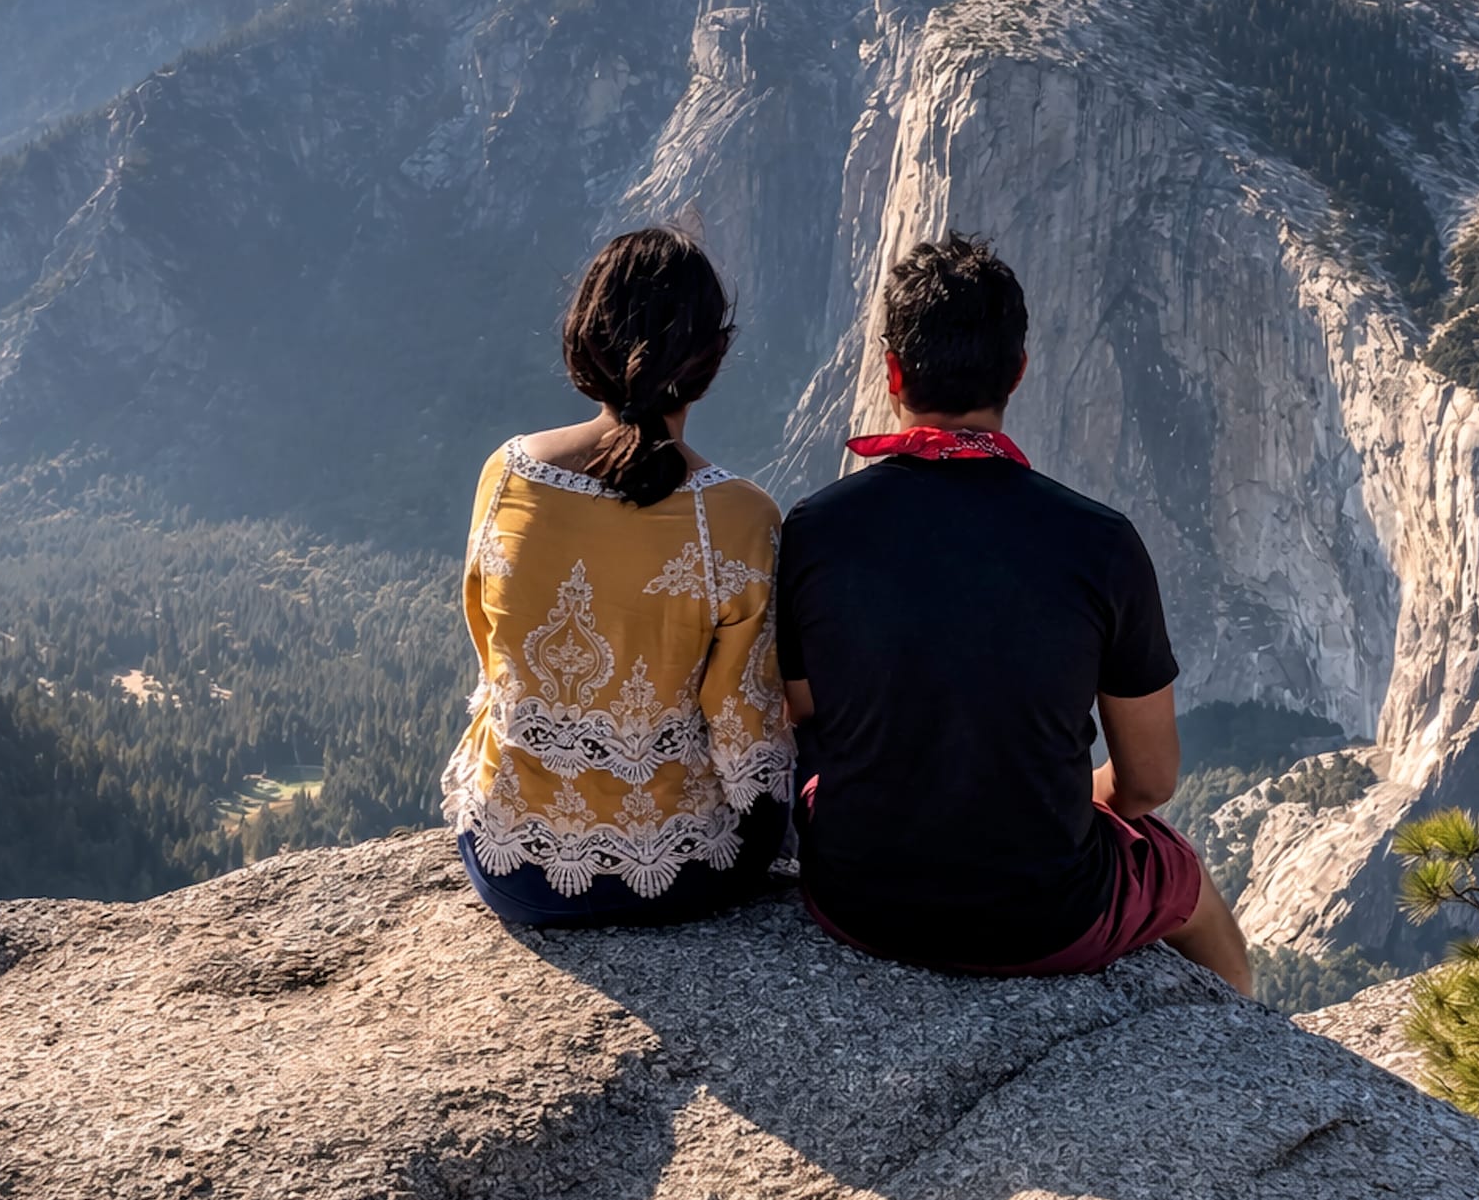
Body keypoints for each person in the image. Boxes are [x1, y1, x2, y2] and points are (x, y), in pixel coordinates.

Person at [776, 232, 1253, 991]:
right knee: (1182, 875)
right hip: (1046, 918)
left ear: (893, 371)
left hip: (857, 898)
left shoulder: (815, 526)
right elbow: (1150, 781)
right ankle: (1246, 1050)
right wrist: (1059, 799)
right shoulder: (1101, 543)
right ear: (1019, 372)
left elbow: (802, 707)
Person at [440, 227, 791, 927]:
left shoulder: (508, 474)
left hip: (509, 860)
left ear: (581, 340)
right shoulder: (739, 517)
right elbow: (744, 726)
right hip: (679, 870)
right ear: (709, 359)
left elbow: (491, 652)